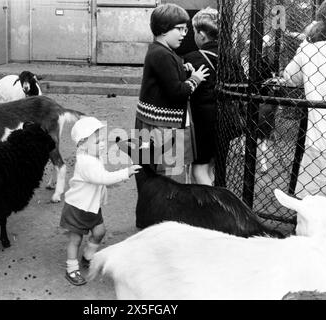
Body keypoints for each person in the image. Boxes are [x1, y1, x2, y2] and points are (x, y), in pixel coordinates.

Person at [281, 0, 326, 235]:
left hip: (319, 150)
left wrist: (305, 45)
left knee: (310, 223)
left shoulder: (311, 51)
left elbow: (290, 78)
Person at [60, 117, 141, 286]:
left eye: (103, 140)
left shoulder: (94, 157)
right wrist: (125, 172)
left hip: (92, 207)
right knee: (75, 240)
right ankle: (71, 268)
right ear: (82, 144)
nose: (103, 144)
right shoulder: (85, 163)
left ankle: (88, 256)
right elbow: (103, 178)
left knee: (99, 232)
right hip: (77, 207)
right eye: (98, 142)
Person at [135, 3, 209, 184]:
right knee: (168, 179)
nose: (185, 33)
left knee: (151, 171)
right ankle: (167, 210)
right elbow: (177, 92)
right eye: (180, 29)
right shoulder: (162, 55)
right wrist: (195, 79)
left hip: (155, 124)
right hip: (162, 127)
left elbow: (166, 78)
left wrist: (182, 70)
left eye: (185, 29)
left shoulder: (160, 51)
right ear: (163, 29)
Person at [182, 7, 218, 185]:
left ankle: (213, 207)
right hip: (226, 120)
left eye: (194, 32)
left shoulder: (192, 58)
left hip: (202, 122)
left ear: (202, 35)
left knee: (199, 169)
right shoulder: (230, 57)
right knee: (212, 166)